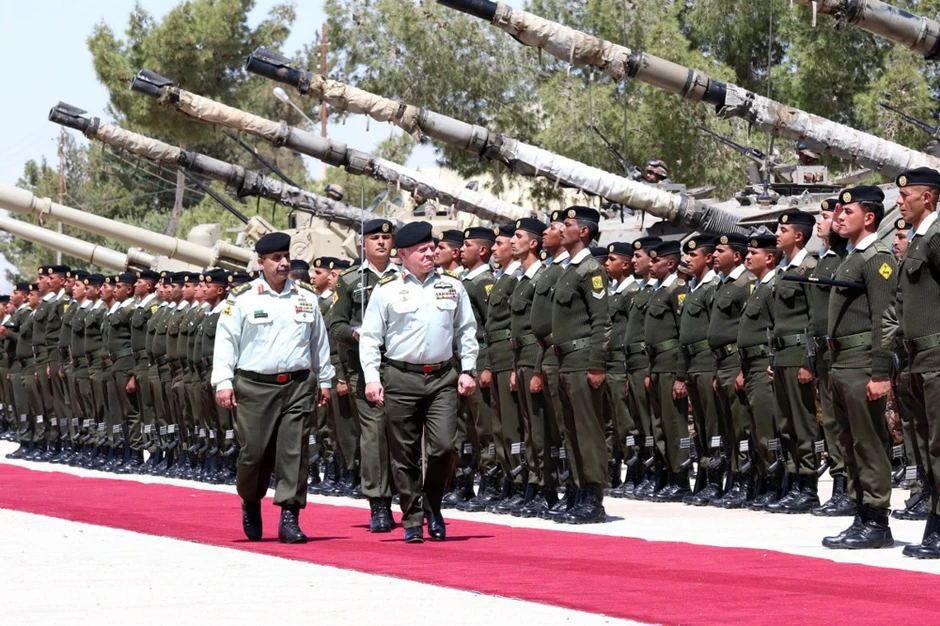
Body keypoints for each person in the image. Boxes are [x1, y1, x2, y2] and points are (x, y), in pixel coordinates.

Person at [359, 221, 479, 543]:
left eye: (432, 248)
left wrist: (468, 369)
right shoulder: (386, 290)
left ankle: (433, 505)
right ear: (404, 254)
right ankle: (412, 517)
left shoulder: (452, 286)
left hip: (442, 377)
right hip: (400, 377)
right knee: (405, 454)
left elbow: (466, 329)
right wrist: (372, 378)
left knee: (443, 447)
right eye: (422, 250)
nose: (430, 253)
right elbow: (370, 338)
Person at [212, 232, 333, 544]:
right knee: (253, 453)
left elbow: (319, 342)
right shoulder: (242, 298)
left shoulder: (306, 296)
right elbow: (226, 342)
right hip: (254, 387)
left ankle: (289, 516)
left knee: (295, 452)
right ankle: (251, 500)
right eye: (276, 258)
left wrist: (325, 379)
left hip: (297, 385)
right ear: (260, 262)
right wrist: (223, 382)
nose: (283, 263)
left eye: (285, 257)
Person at [821, 185, 897, 550]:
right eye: (837, 211)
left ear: (869, 217)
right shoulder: (851, 256)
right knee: (848, 443)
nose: (838, 216)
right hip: (840, 362)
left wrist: (881, 372)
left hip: (862, 361)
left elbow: (886, 317)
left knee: (869, 443)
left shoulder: (876, 257)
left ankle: (877, 519)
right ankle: (860, 513)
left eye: (847, 212)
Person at [329, 219, 399, 532]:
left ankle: (414, 499)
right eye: (375, 238)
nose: (381, 243)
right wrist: (358, 334)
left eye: (386, 237)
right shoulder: (348, 280)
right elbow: (336, 325)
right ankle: (379, 502)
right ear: (363, 244)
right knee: (374, 437)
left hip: (401, 366)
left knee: (406, 434)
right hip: (363, 369)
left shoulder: (405, 277)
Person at [551, 206, 611, 523]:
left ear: (584, 231)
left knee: (588, 432)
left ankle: (594, 496)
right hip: (565, 361)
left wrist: (597, 364)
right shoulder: (570, 270)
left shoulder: (591, 270)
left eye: (569, 224)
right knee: (570, 431)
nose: (562, 228)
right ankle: (576, 488)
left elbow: (602, 321)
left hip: (583, 360)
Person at [894, 167, 940, 558]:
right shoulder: (919, 240)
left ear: (927, 197)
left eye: (906, 196)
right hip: (918, 358)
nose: (899, 201)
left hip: (937, 356)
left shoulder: (936, 237)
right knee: (927, 444)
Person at [768, 210, 821, 514]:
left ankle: (808, 487)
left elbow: (813, 317)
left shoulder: (808, 267)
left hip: (799, 355)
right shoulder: (782, 270)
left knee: (803, 424)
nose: (778, 233)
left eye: (783, 229)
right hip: (781, 357)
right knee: (786, 424)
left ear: (798, 236)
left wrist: (807, 361)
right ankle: (795, 482)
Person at [807, 198, 853, 517]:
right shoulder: (824, 261)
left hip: (842, 351)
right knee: (831, 422)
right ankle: (839, 484)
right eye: (824, 216)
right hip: (823, 351)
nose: (823, 222)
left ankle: (848, 486)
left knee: (844, 422)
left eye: (828, 216)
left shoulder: (843, 259)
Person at [706, 233, 755, 507]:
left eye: (720, 250)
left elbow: (746, 328)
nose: (714, 254)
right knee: (727, 427)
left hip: (736, 361)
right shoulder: (722, 285)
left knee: (741, 427)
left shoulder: (744, 284)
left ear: (736, 256)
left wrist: (740, 369)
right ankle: (733, 478)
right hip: (721, 363)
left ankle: (744, 479)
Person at [643, 240, 690, 502]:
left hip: (671, 364)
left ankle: (681, 477)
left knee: (675, 425)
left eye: (655, 260)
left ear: (670, 263)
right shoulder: (658, 291)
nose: (651, 264)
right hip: (657, 364)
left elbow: (684, 333)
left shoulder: (677, 289)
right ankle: (667, 474)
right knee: (659, 425)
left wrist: (681, 374)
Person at [736, 235, 781, 509]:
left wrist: (772, 361)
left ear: (770, 258)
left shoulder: (773, 287)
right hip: (750, 367)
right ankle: (765, 479)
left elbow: (779, 326)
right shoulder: (757, 287)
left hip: (764, 364)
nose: (748, 256)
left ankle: (776, 483)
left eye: (754, 252)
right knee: (755, 429)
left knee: (768, 429)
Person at [676, 236, 719, 505]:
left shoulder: (713, 287)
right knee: (701, 426)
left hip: (707, 363)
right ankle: (703, 476)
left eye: (694, 256)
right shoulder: (694, 288)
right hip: (692, 363)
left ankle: (714, 480)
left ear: (708, 258)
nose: (688, 260)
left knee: (713, 425)